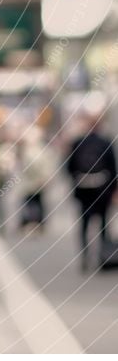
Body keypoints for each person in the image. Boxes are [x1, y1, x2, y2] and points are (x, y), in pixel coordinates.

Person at [66, 115, 117, 271]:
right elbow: (112, 167)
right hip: (102, 189)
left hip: (83, 188)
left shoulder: (77, 142)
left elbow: (69, 166)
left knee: (84, 224)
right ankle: (104, 256)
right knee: (102, 224)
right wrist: (114, 188)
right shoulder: (105, 142)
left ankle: (85, 256)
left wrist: (75, 182)